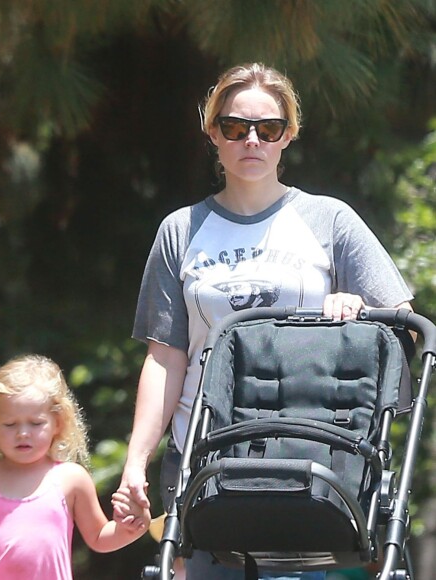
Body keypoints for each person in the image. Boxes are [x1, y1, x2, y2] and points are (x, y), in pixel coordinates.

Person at [114, 62, 414, 580]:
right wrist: (135, 462)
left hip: (303, 456)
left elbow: (402, 328)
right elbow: (164, 358)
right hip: (202, 456)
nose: (251, 140)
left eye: (268, 128)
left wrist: (357, 316)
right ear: (213, 133)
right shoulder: (182, 230)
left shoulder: (329, 220)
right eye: (234, 126)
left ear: (288, 136)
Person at [0, 354, 151, 580]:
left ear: (58, 422)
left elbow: (98, 536)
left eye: (36, 423)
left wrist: (132, 526)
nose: (23, 433)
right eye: (10, 424)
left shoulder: (71, 478)